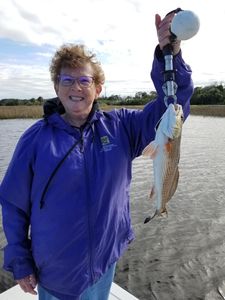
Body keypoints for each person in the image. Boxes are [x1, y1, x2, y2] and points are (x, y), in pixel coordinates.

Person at [0, 12, 193, 300]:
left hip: (104, 263)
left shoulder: (122, 127)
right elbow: (13, 204)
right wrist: (20, 259)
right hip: (56, 273)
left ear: (98, 88)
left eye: (84, 80)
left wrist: (171, 54)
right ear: (56, 87)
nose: (75, 88)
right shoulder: (35, 139)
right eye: (67, 80)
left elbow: (173, 106)